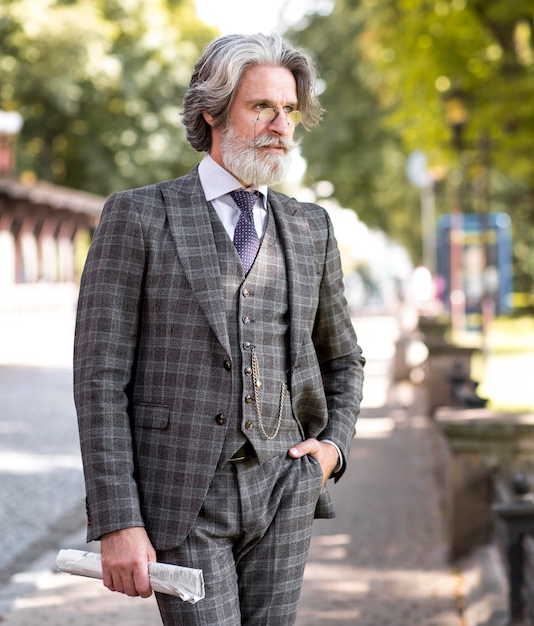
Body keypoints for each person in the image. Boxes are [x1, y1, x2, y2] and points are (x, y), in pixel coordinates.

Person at [73, 32, 365, 626]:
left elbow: (344, 360)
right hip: (184, 497)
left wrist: (332, 449)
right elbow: (99, 381)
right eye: (262, 107)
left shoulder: (311, 228)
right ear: (212, 111)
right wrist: (118, 520)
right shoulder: (138, 216)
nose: (281, 124)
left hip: (287, 485)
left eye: (288, 110)